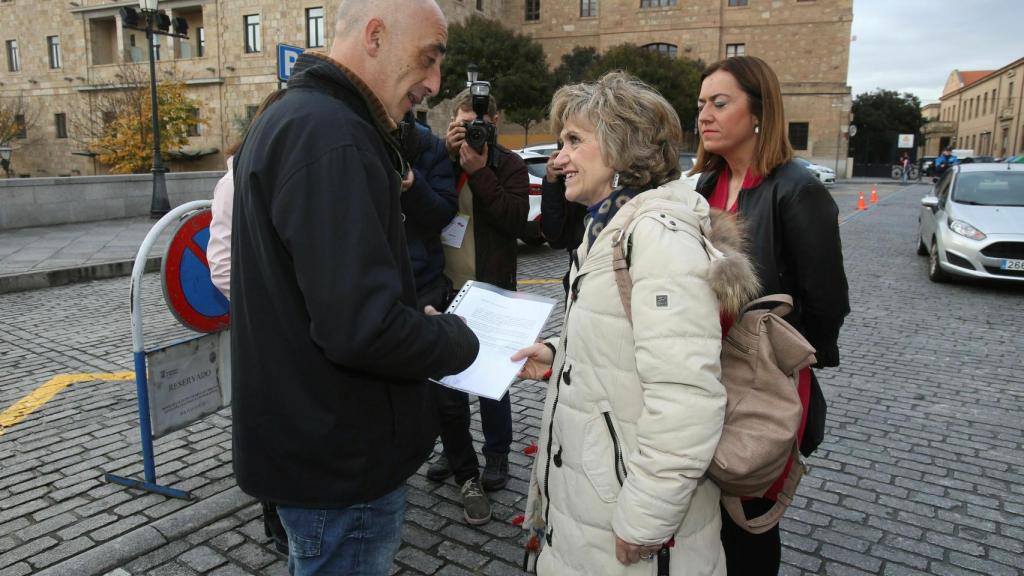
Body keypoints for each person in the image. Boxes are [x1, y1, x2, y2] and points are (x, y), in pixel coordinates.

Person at [229, 1, 480, 574]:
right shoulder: (331, 136)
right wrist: (454, 339)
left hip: (316, 442)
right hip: (340, 459)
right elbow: (361, 329)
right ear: (375, 36)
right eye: (429, 58)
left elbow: (329, 297)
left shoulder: (301, 118)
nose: (434, 83)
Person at [513, 71, 761, 575]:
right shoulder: (608, 226)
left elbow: (687, 398)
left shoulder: (657, 237)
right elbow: (627, 334)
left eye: (574, 141)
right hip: (593, 507)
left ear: (621, 148)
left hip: (630, 527)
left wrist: (646, 519)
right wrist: (559, 351)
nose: (559, 158)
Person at [691, 55, 850, 575]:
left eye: (720, 103)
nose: (705, 115)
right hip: (706, 375)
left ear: (760, 112)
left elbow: (827, 302)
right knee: (707, 516)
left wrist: (779, 356)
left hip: (765, 382)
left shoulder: (797, 189)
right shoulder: (703, 187)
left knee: (750, 521)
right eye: (701, 104)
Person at [423, 88, 529, 525]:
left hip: (490, 288)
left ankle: (497, 453)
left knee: (491, 380)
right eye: (463, 125)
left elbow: (515, 219)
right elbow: (425, 210)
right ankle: (454, 450)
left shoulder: (510, 165)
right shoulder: (440, 161)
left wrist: (481, 172)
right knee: (448, 380)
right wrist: (448, 160)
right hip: (445, 288)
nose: (472, 133)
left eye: (478, 125)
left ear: (495, 122)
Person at [397, 112, 458, 312]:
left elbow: (445, 212)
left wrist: (414, 186)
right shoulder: (353, 136)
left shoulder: (428, 145)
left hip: (423, 285)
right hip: (367, 283)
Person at [539, 146, 587, 296]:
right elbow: (554, 237)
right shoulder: (570, 185)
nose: (560, 159)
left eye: (574, 142)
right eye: (562, 145)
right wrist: (552, 183)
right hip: (576, 285)